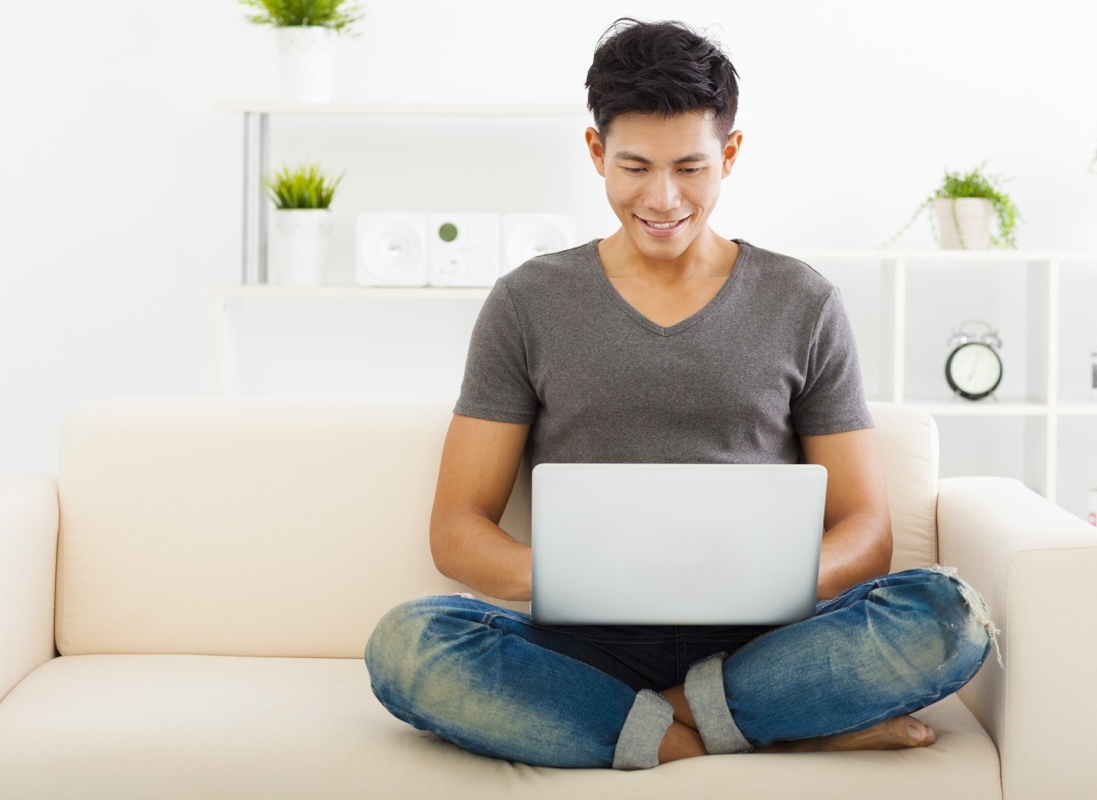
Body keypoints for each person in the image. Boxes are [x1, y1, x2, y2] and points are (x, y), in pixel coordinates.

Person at [364, 18, 996, 770]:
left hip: (770, 638)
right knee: (407, 645)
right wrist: (591, 580)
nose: (662, 199)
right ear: (596, 153)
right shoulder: (528, 302)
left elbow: (866, 529)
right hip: (586, 645)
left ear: (729, 154)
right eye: (634, 167)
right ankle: (774, 724)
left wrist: (757, 580)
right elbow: (457, 532)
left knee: (948, 616)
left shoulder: (803, 301)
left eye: (690, 168)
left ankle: (654, 725)